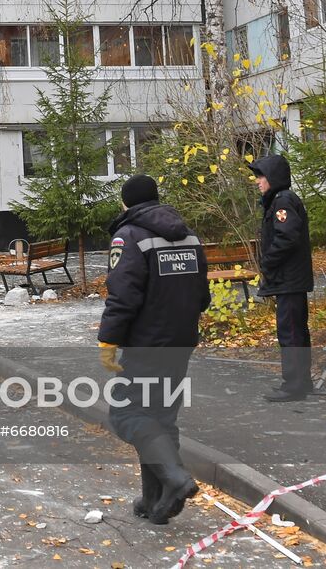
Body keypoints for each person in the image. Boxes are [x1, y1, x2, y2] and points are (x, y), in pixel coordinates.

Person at [99, 175, 210, 525]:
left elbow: (123, 295)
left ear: (125, 204)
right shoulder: (188, 235)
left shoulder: (129, 236)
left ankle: (175, 480)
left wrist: (108, 340)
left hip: (147, 344)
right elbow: (202, 294)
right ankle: (154, 500)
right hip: (181, 341)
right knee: (161, 417)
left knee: (127, 414)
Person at [249, 154, 315, 402]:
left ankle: (294, 386)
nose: (258, 182)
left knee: (290, 332)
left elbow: (287, 236)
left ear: (272, 177)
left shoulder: (283, 200)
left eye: (261, 176)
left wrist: (267, 263)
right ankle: (301, 382)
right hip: (289, 279)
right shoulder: (279, 200)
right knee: (296, 330)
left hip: (289, 279)